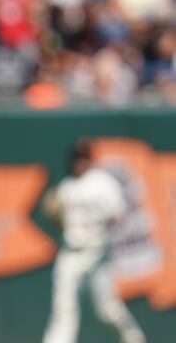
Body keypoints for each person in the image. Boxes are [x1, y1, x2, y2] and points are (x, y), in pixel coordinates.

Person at [41, 139, 146, 343]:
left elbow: (120, 216)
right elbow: (58, 221)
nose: (79, 163)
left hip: (98, 252)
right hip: (70, 253)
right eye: (76, 159)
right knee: (64, 309)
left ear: (90, 159)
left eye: (83, 159)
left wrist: (102, 229)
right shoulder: (67, 187)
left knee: (106, 309)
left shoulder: (104, 184)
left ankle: (133, 339)